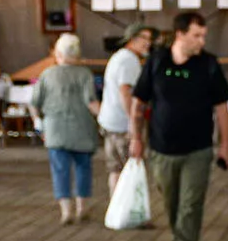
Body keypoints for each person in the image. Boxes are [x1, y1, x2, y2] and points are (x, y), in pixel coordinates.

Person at [130, 11, 228, 241]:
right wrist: (136, 138)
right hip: (162, 149)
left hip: (198, 149)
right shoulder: (156, 62)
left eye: (203, 36)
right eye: (196, 36)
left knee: (191, 203)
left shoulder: (208, 64)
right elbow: (138, 103)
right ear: (180, 34)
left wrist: (225, 143)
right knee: (171, 203)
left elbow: (221, 107)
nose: (201, 41)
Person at [29, 33, 101, 225]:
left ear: (58, 53)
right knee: (83, 168)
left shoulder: (47, 74)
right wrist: (104, 117)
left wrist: (38, 121)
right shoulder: (85, 74)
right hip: (82, 129)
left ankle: (66, 210)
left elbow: (34, 103)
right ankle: (82, 207)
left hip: (55, 129)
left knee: (60, 169)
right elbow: (91, 102)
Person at [98, 22, 155, 196]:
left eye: (150, 39)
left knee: (115, 169)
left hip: (110, 122)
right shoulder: (129, 60)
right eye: (144, 38)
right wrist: (134, 124)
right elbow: (126, 92)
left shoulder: (118, 57)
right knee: (132, 168)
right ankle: (131, 213)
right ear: (132, 39)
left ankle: (116, 214)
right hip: (123, 125)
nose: (148, 43)